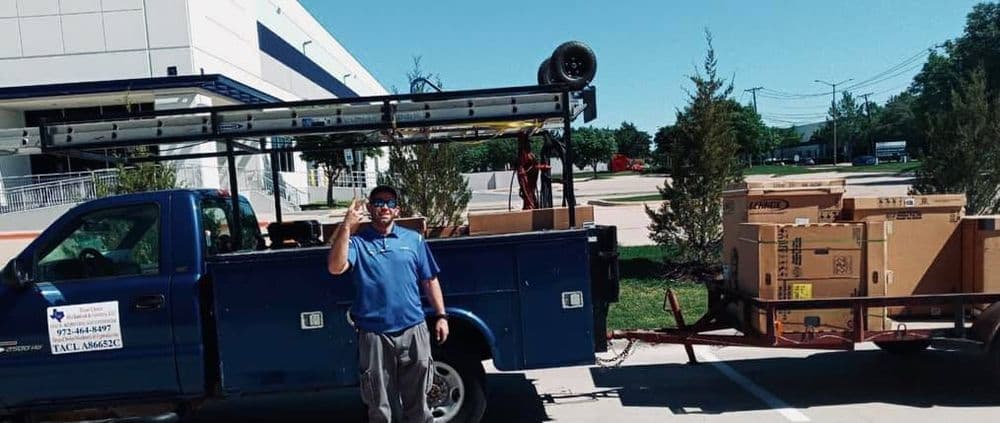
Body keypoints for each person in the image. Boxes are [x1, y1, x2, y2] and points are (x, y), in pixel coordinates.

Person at [327, 185, 448, 423]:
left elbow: (429, 279)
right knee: (381, 407)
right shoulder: (358, 243)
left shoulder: (413, 240)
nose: (385, 207)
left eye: (390, 203)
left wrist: (441, 315)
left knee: (420, 405)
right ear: (370, 208)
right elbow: (335, 267)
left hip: (414, 330)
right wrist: (346, 226)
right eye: (379, 202)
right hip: (374, 335)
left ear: (397, 210)